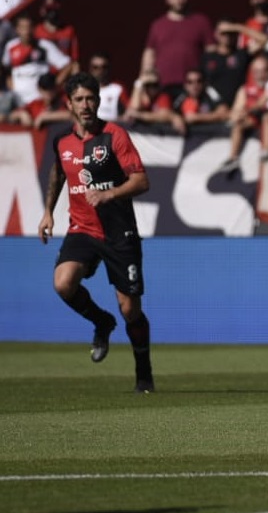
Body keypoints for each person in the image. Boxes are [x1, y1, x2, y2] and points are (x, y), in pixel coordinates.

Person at [36, 72, 155, 393]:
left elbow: (141, 181)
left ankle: (143, 373)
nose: (86, 105)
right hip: (82, 229)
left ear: (99, 102)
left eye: (91, 98)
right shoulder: (62, 141)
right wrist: (48, 211)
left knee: (130, 308)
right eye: (79, 99)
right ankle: (101, 322)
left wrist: (109, 194)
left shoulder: (114, 135)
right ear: (69, 104)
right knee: (63, 283)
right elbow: (58, 173)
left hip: (119, 232)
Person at [140, 0, 215, 100]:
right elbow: (150, 53)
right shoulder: (158, 25)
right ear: (167, 0)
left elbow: (211, 52)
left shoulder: (201, 21)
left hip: (192, 85)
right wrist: (144, 79)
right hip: (163, 84)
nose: (178, 0)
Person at [2, 13, 72, 110]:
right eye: (23, 27)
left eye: (29, 27)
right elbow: (6, 70)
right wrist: (11, 86)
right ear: (17, 29)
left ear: (34, 28)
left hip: (39, 101)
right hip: (18, 101)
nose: (26, 31)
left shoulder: (44, 45)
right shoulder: (10, 47)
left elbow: (68, 65)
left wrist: (53, 86)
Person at [202, 19, 268, 108]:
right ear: (216, 34)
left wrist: (237, 28)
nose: (227, 36)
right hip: (214, 107)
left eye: (230, 33)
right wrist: (218, 104)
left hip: (238, 106)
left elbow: (264, 40)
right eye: (223, 33)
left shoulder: (241, 54)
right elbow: (204, 83)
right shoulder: (208, 57)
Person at [125, 69, 184, 134]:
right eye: (148, 85)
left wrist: (140, 115)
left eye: (155, 85)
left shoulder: (162, 97)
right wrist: (138, 84)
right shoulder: (139, 97)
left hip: (160, 135)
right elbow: (134, 108)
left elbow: (165, 115)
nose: (152, 88)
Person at [34, 0, 79, 73]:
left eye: (55, 8)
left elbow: (75, 59)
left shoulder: (68, 30)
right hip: (44, 74)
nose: (52, 12)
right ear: (42, 11)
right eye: (49, 9)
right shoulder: (37, 31)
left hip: (65, 71)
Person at [88, 52, 129, 122]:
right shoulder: (84, 89)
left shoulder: (117, 89)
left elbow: (128, 113)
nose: (100, 71)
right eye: (95, 67)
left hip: (112, 128)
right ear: (90, 69)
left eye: (104, 67)